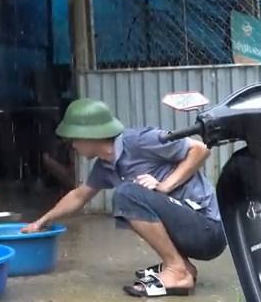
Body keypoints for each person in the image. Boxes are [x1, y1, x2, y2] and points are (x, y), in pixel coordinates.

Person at [22, 98, 227, 298]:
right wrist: (41, 222)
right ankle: (183, 268)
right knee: (132, 196)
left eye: (74, 138)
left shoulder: (140, 140)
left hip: (208, 229)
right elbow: (79, 195)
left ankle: (176, 271)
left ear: (91, 135)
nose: (72, 145)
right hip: (189, 228)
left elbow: (200, 149)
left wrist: (165, 185)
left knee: (127, 195)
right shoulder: (104, 167)